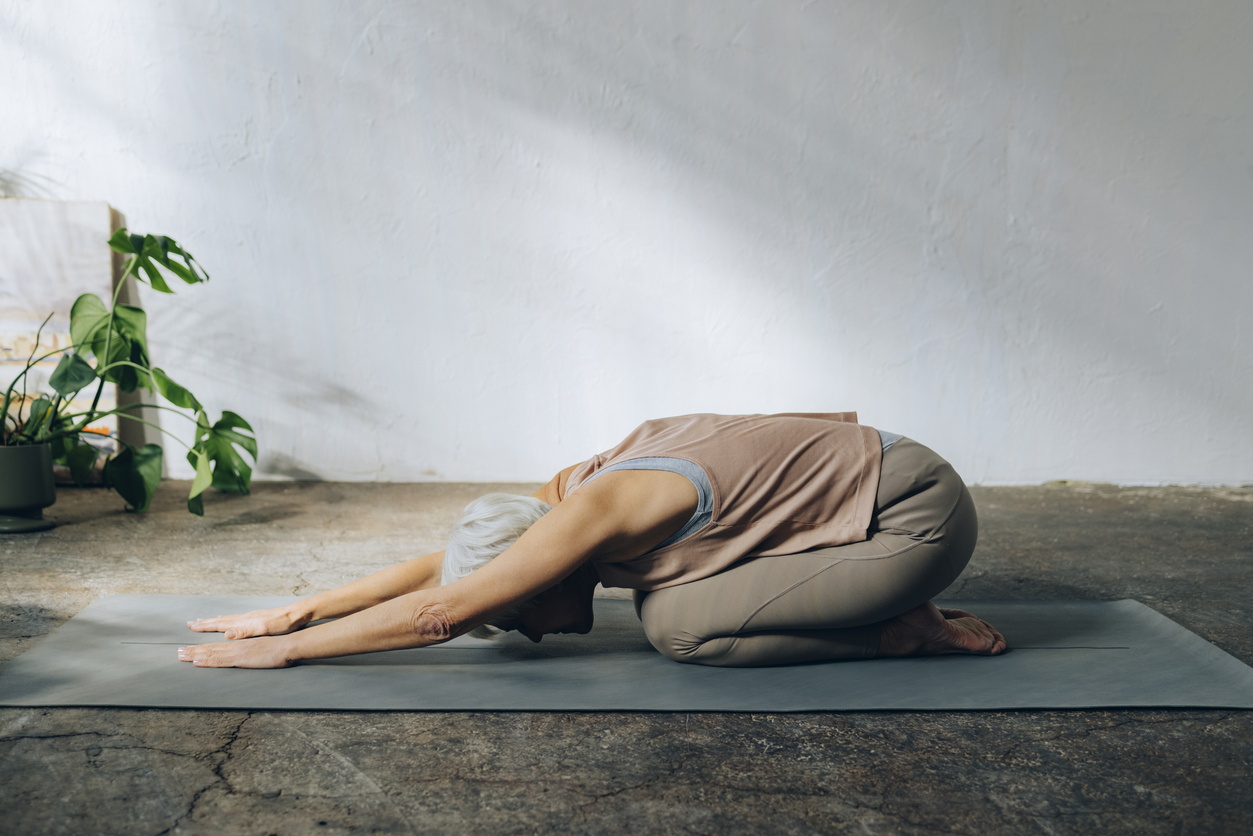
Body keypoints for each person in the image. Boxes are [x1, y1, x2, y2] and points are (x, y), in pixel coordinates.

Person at [180, 412, 1005, 669]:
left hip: (911, 519)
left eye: (514, 615)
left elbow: (443, 611)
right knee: (668, 593)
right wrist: (299, 611)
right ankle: (871, 596)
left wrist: (285, 657)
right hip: (871, 490)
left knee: (677, 625)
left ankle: (901, 630)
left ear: (544, 569)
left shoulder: (599, 510)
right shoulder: (558, 501)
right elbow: (447, 568)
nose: (526, 630)